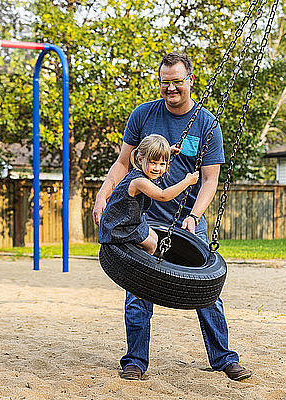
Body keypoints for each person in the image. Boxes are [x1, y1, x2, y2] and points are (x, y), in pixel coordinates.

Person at [93, 52, 251, 381]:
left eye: (177, 82)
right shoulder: (143, 114)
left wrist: (194, 215)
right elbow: (123, 163)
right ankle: (135, 361)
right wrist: (102, 194)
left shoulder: (207, 123)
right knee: (138, 289)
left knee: (206, 291)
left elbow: (210, 179)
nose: (171, 88)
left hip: (188, 221)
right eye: (165, 83)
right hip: (143, 219)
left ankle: (223, 358)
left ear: (190, 80)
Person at [98, 134, 199, 255]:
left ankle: (136, 253)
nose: (157, 168)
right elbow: (163, 195)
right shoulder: (139, 181)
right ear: (140, 159)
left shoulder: (140, 171)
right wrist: (187, 182)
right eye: (153, 163)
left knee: (154, 237)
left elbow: (156, 160)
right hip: (117, 226)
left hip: (129, 221)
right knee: (152, 245)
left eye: (162, 164)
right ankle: (137, 268)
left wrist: (168, 152)